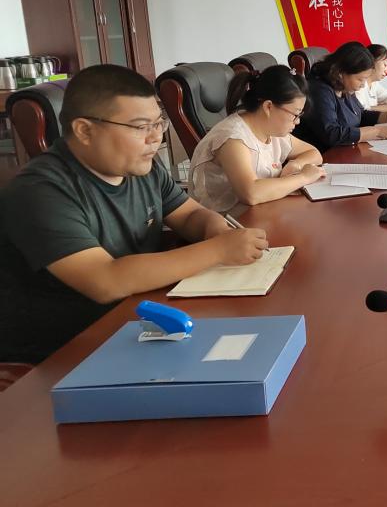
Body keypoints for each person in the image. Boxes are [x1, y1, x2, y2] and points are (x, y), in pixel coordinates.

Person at [0, 65, 269, 365]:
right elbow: (105, 281)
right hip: (64, 353)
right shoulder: (40, 191)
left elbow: (190, 215)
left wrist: (216, 230)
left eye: (158, 123)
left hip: (138, 320)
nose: (155, 138)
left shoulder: (140, 166)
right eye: (141, 127)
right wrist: (218, 250)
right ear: (85, 130)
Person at [189, 65, 325, 213]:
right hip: (226, 221)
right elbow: (251, 193)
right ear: (268, 107)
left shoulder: (271, 129)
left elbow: (314, 153)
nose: (297, 121)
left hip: (262, 211)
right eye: (295, 114)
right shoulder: (233, 138)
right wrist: (303, 177)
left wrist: (295, 164)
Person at [295, 41, 387, 150]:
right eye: (360, 79)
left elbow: (360, 114)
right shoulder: (319, 90)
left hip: (346, 150)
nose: (363, 85)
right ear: (340, 73)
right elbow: (331, 133)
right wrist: (377, 132)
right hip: (325, 155)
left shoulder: (344, 87)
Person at [356, 44, 387, 113]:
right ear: (371, 60)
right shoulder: (357, 83)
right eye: (385, 65)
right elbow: (360, 111)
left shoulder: (374, 84)